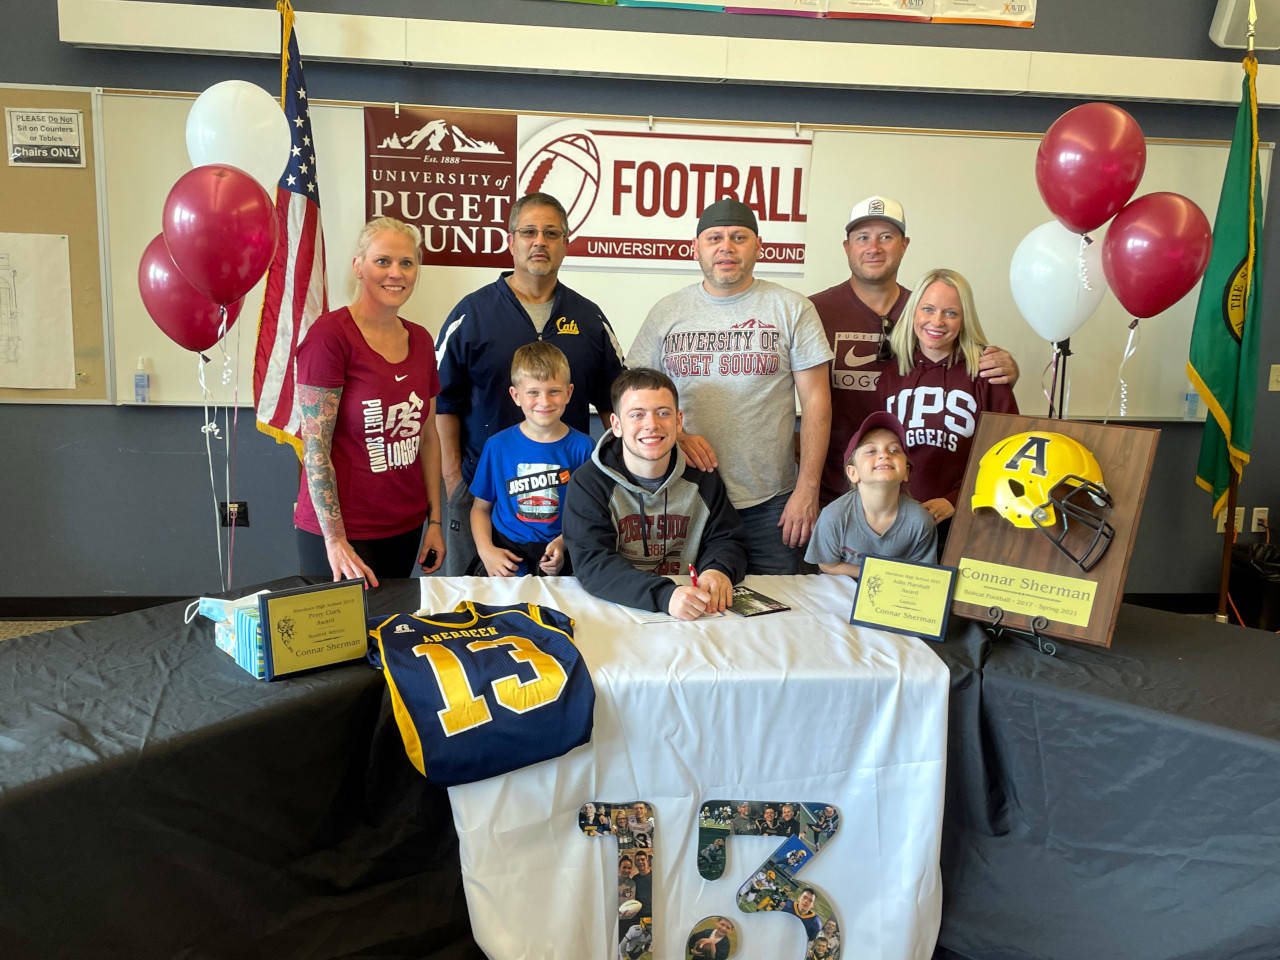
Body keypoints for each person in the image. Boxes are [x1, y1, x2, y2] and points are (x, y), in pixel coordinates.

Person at [626, 198, 833, 574]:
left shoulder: (792, 309)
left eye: (739, 237)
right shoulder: (667, 312)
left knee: (779, 619)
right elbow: (630, 392)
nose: (726, 247)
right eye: (714, 237)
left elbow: (818, 405)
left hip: (771, 505)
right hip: (684, 501)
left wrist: (807, 490)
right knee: (687, 614)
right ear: (696, 248)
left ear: (758, 247)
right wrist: (678, 432)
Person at [436, 192, 625, 575]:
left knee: (570, 608)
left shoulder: (589, 319)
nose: (540, 241)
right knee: (471, 608)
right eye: (529, 232)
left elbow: (616, 405)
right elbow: (442, 402)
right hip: (480, 493)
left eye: (551, 233)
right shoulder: (471, 314)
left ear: (565, 245)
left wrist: (618, 475)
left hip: (565, 499)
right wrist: (455, 477)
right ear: (511, 241)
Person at [809, 196, 1019, 508]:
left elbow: (1006, 447)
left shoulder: (925, 305)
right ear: (847, 246)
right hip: (837, 487)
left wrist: (1008, 368)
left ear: (904, 245)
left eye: (886, 237)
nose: (874, 247)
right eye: (863, 237)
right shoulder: (815, 311)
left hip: (926, 502)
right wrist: (806, 490)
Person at [294, 216, 445, 587]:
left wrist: (435, 522)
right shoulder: (330, 336)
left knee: (390, 635)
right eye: (383, 261)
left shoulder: (423, 341)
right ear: (359, 266)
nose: (396, 273)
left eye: (407, 263)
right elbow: (315, 446)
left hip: (404, 527)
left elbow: (428, 437)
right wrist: (335, 540)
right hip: (342, 534)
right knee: (338, 644)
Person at [563, 368, 749, 620]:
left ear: (678, 421)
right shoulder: (588, 483)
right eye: (637, 415)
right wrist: (664, 595)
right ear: (616, 425)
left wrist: (718, 570)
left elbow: (727, 539)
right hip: (616, 610)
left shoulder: (703, 477)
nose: (651, 425)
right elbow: (593, 564)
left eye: (663, 413)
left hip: (691, 610)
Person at [881, 268, 1019, 530]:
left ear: (964, 319)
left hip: (968, 520)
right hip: (897, 521)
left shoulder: (987, 373)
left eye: (951, 313)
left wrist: (955, 501)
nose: (937, 321)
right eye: (928, 309)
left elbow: (1008, 456)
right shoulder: (890, 374)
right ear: (913, 312)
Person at [469, 342, 594, 577]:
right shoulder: (497, 446)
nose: (544, 402)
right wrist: (487, 551)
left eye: (554, 391)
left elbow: (588, 513)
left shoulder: (584, 447)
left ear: (569, 393)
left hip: (563, 553)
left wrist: (563, 543)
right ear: (516, 396)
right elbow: (480, 508)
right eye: (533, 392)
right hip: (506, 557)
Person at [805, 410, 937, 577]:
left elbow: (925, 575)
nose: (884, 455)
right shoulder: (834, 516)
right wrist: (875, 574)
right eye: (871, 451)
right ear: (853, 473)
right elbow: (827, 564)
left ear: (906, 472)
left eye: (895, 450)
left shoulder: (920, 521)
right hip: (841, 593)